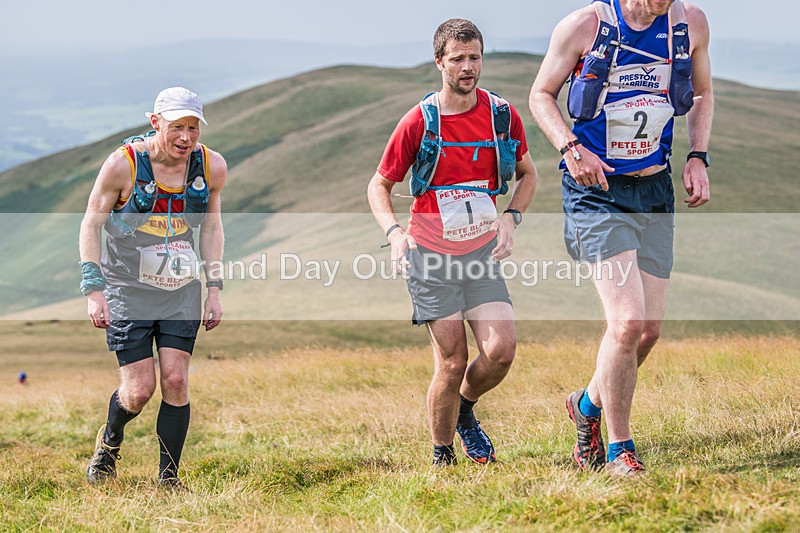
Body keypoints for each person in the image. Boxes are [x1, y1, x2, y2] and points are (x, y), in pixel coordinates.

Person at [529, 0, 712, 476]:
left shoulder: (689, 22)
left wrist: (697, 155)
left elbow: (702, 93)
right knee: (627, 322)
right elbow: (540, 95)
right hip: (597, 190)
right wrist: (570, 148)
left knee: (647, 331)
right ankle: (619, 450)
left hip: (654, 187)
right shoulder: (584, 25)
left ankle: (586, 405)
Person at [368, 19, 538, 466]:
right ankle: (443, 456)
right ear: (439, 62)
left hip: (480, 256)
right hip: (430, 258)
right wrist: (394, 234)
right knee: (451, 361)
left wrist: (511, 218)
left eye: (475, 57)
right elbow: (378, 186)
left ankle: (464, 411)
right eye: (458, 59)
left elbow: (528, 174)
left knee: (500, 352)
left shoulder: (502, 115)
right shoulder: (419, 121)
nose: (468, 67)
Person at [79, 87, 227, 486]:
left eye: (193, 128)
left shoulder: (210, 166)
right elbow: (92, 222)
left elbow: (211, 225)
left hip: (181, 289)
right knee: (140, 390)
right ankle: (110, 440)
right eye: (176, 127)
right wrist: (94, 290)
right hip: (127, 287)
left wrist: (214, 288)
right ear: (154, 122)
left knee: (176, 380)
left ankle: (169, 479)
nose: (185, 138)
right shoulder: (122, 166)